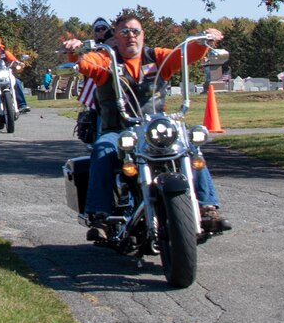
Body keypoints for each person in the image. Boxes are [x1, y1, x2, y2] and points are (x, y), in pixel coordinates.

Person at [71, 15, 231, 236]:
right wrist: (76, 53)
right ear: (116, 37)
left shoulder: (157, 57)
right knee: (102, 149)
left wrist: (205, 40)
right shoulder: (107, 59)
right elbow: (87, 64)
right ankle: (100, 216)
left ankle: (207, 207)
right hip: (118, 130)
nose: (131, 36)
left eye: (135, 31)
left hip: (154, 129)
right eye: (125, 32)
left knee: (190, 146)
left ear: (143, 34)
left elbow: (185, 55)